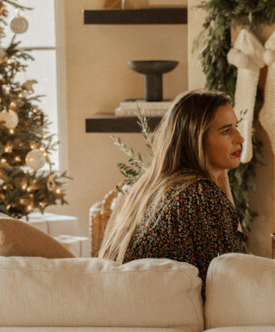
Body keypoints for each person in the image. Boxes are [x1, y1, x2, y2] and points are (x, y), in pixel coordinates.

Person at [99, 89, 247, 295]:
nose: (240, 138)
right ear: (196, 139)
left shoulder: (161, 187)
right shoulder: (200, 195)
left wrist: (222, 181)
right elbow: (235, 277)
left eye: (236, 127)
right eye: (225, 131)